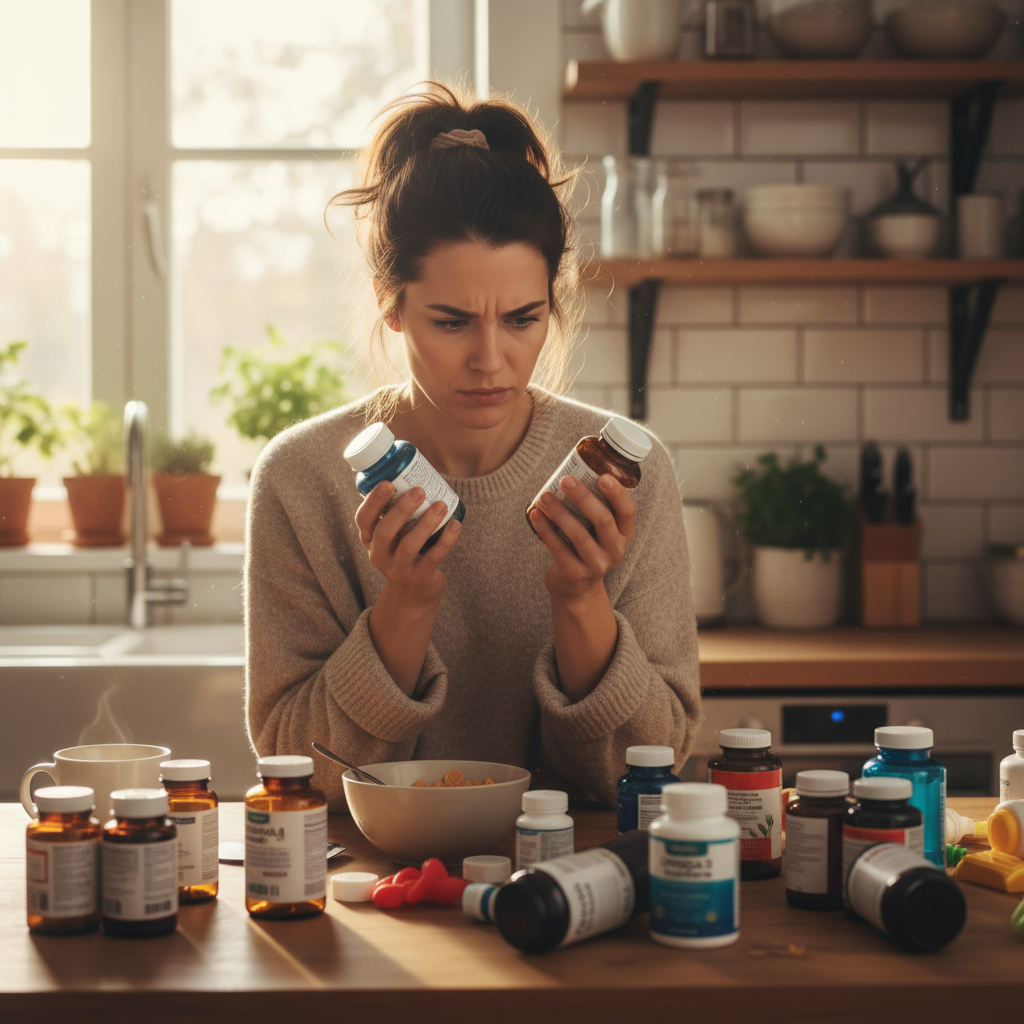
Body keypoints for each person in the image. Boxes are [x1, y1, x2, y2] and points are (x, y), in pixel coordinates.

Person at [245, 83, 700, 809]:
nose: (491, 360)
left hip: (573, 877)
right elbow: (300, 775)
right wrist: (406, 604)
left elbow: (647, 771)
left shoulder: (624, 476)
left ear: (554, 301)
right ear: (392, 306)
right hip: (371, 888)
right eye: (452, 322)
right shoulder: (302, 479)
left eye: (522, 319)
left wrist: (581, 600)